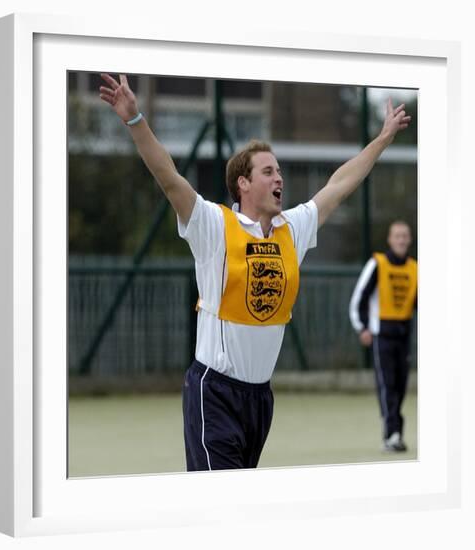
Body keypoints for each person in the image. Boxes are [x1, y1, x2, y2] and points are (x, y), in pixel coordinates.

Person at [99, 73, 411, 471]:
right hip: (214, 391)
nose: (279, 177)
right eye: (268, 171)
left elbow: (339, 184)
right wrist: (134, 119)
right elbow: (169, 177)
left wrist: (382, 139)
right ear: (243, 183)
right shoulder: (214, 226)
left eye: (279, 171)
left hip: (259, 398)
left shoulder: (292, 230)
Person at [349, 221, 417, 452]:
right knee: (387, 385)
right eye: (397, 236)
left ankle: (395, 429)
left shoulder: (415, 269)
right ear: (390, 239)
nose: (401, 240)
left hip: (404, 334)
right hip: (382, 334)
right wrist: (363, 327)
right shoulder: (377, 264)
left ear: (409, 240)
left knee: (400, 385)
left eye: (405, 236)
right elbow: (359, 298)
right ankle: (392, 435)